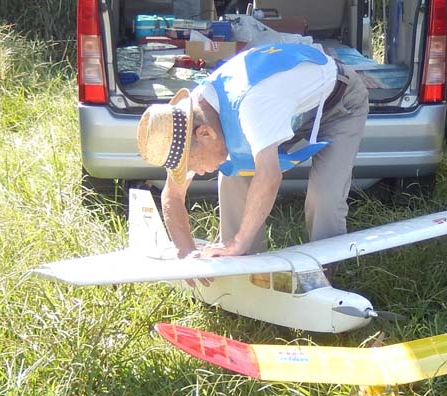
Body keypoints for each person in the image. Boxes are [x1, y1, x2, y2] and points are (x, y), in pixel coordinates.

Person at [136, 42, 368, 259]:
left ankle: (326, 271)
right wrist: (186, 253)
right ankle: (245, 266)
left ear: (205, 133)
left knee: (325, 197)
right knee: (233, 177)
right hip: (287, 107)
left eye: (193, 163)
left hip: (338, 102)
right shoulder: (183, 121)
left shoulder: (253, 106)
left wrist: (239, 241)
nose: (199, 172)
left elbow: (269, 176)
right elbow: (173, 195)